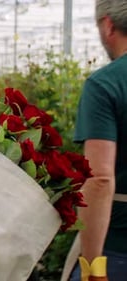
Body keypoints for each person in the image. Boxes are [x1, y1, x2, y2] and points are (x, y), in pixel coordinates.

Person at [69, 1, 127, 280]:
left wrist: (93, 266)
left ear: (108, 25)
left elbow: (101, 178)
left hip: (118, 249)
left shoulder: (107, 84)